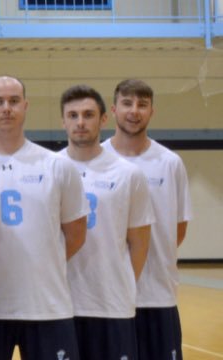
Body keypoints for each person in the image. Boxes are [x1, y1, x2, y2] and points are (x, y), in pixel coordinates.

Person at [0, 76, 88, 359]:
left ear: (25, 106)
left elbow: (76, 234)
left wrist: (42, 259)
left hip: (47, 306)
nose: (7, 108)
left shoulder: (58, 166)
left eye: (14, 101)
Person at [57, 84, 153, 360]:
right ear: (63, 121)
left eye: (88, 115)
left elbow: (140, 244)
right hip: (61, 304)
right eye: (73, 115)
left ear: (103, 119)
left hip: (112, 304)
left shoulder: (129, 174)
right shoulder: (49, 168)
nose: (80, 122)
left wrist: (120, 282)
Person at [102, 79, 192, 360]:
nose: (134, 111)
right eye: (127, 103)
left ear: (152, 111)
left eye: (142, 105)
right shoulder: (96, 160)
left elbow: (178, 229)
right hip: (107, 298)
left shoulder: (170, 163)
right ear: (114, 110)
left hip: (158, 295)